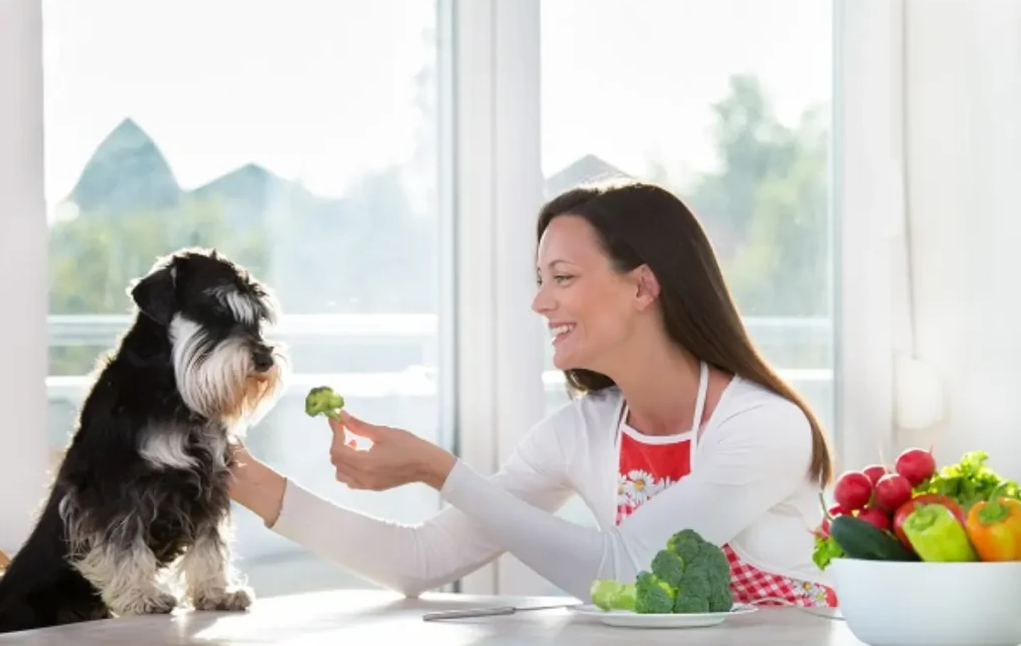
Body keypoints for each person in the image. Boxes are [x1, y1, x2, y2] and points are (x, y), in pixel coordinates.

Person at [229, 179, 838, 607]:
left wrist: (441, 472)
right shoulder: (582, 432)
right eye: (541, 279)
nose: (540, 302)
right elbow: (419, 560)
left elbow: (630, 569)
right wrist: (233, 470)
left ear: (642, 287)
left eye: (562, 278)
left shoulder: (765, 427)